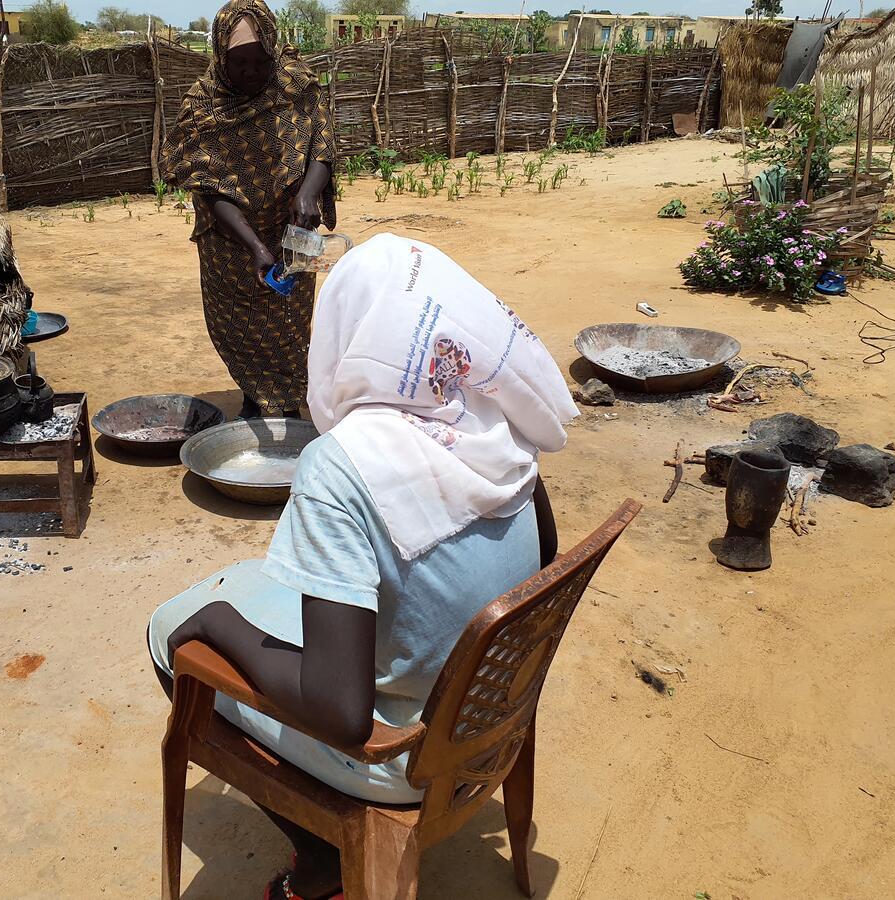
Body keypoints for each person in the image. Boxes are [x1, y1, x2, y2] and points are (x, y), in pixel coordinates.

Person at [148, 234, 579, 900]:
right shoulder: (496, 415)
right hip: (492, 708)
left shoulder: (340, 467)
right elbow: (543, 558)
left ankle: (322, 864)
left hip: (398, 754)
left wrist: (220, 627)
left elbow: (342, 713)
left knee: (172, 630)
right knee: (266, 587)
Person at [162, 0, 336, 420]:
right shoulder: (203, 105)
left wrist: (309, 193)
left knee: (292, 319)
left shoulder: (298, 85)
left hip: (298, 225)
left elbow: (323, 145)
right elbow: (207, 187)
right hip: (230, 237)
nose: (251, 72)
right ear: (221, 57)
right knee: (237, 323)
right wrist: (256, 246)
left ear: (274, 52)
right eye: (239, 63)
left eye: (260, 61)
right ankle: (254, 394)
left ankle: (287, 401)